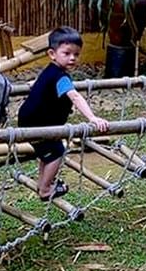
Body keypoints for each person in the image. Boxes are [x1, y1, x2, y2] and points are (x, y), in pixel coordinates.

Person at [18, 27, 110, 201]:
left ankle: (44, 182)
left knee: (47, 152)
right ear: (52, 54)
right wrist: (92, 118)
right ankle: (45, 189)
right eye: (67, 53)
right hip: (38, 123)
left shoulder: (50, 71)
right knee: (57, 152)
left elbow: (39, 84)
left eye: (76, 54)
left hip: (29, 120)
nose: (72, 58)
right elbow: (74, 96)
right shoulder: (61, 77)